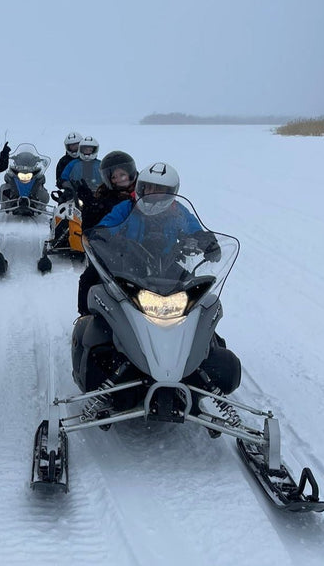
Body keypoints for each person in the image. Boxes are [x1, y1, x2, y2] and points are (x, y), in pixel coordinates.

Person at [88, 161, 238, 397]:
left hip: (169, 271)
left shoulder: (178, 212)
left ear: (172, 193)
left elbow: (195, 229)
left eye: (162, 191)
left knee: (199, 307)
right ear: (141, 187)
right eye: (149, 188)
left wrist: (206, 242)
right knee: (105, 301)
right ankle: (108, 350)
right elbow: (104, 229)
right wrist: (110, 241)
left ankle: (202, 357)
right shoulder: (127, 208)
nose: (153, 195)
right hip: (129, 269)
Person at [76, 151, 138, 314]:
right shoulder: (103, 197)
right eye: (113, 177)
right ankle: (85, 317)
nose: (118, 180)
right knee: (88, 280)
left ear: (131, 174)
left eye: (122, 175)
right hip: (112, 252)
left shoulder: (144, 193)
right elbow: (90, 231)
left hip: (143, 251)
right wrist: (89, 207)